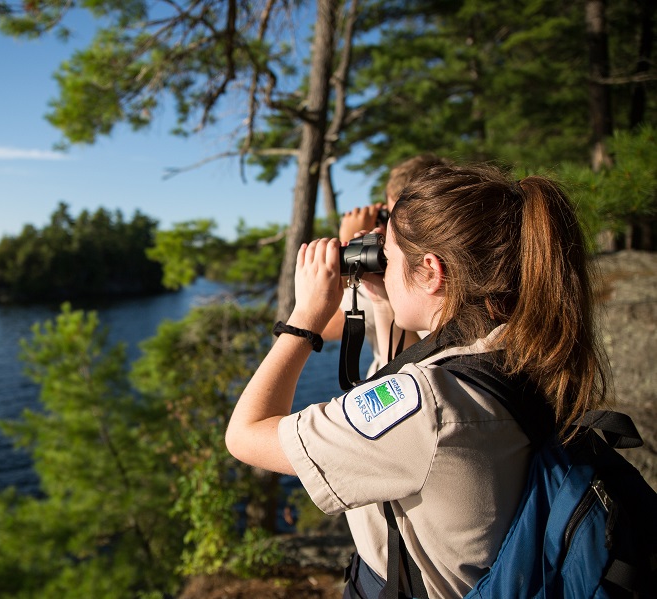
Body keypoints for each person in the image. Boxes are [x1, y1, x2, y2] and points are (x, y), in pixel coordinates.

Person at [226, 164, 610, 598]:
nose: (382, 266)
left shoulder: (428, 405)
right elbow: (419, 363)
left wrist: (304, 319)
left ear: (431, 270)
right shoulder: (526, 345)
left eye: (387, 257)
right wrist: (385, 302)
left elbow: (244, 436)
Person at [323, 155, 451, 377]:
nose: (388, 227)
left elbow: (325, 326)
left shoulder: (404, 281)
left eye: (396, 218)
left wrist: (348, 248)